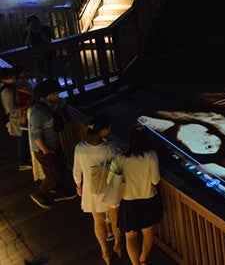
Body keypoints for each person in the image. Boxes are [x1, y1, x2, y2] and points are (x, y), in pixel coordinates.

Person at [73, 116, 122, 264]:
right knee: (115, 218)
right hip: (108, 188)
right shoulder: (111, 148)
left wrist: (79, 186)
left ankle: (105, 252)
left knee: (98, 220)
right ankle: (118, 244)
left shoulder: (80, 148)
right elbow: (119, 167)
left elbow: (77, 171)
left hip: (91, 189)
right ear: (103, 131)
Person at [115, 124, 162, 265]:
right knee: (148, 235)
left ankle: (135, 263)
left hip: (128, 202)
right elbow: (155, 179)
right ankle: (143, 259)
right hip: (148, 200)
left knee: (130, 237)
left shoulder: (120, 158)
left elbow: (111, 181)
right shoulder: (151, 156)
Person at [28, 79, 76, 209]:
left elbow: (61, 103)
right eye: (55, 94)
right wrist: (45, 150)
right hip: (44, 149)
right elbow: (35, 134)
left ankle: (60, 192)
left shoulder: (50, 105)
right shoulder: (38, 111)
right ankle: (39, 193)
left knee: (59, 168)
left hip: (52, 145)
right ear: (46, 95)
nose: (57, 96)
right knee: (52, 174)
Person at [1, 67, 32, 170]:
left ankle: (25, 160)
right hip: (17, 118)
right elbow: (11, 109)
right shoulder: (7, 92)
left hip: (20, 117)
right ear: (4, 79)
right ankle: (22, 162)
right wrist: (26, 107)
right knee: (22, 140)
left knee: (24, 139)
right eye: (12, 77)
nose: (14, 79)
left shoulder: (11, 88)